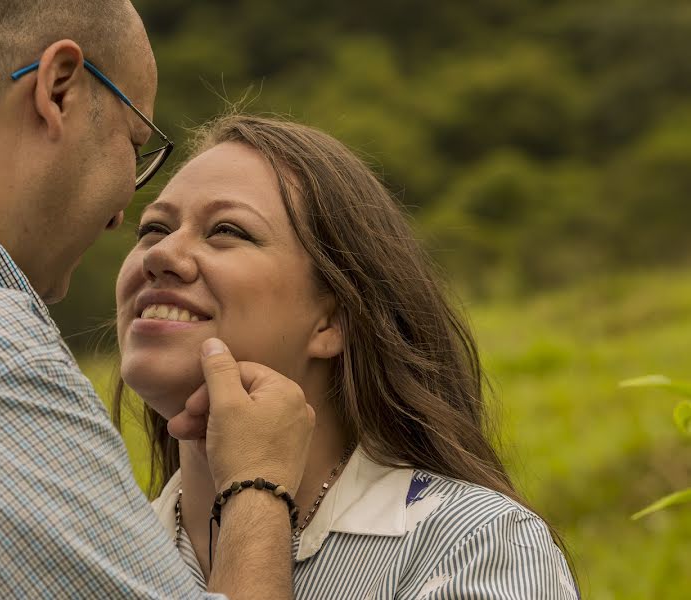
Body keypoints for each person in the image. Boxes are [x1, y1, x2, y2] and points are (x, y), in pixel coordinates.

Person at [0, 2, 315, 598]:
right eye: (134, 142)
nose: (123, 214)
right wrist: (257, 488)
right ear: (58, 88)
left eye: (228, 231)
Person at [114, 114, 580, 599]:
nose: (161, 253)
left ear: (331, 320)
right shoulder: (87, 559)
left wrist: (253, 492)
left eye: (227, 230)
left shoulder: (473, 546)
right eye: (153, 229)